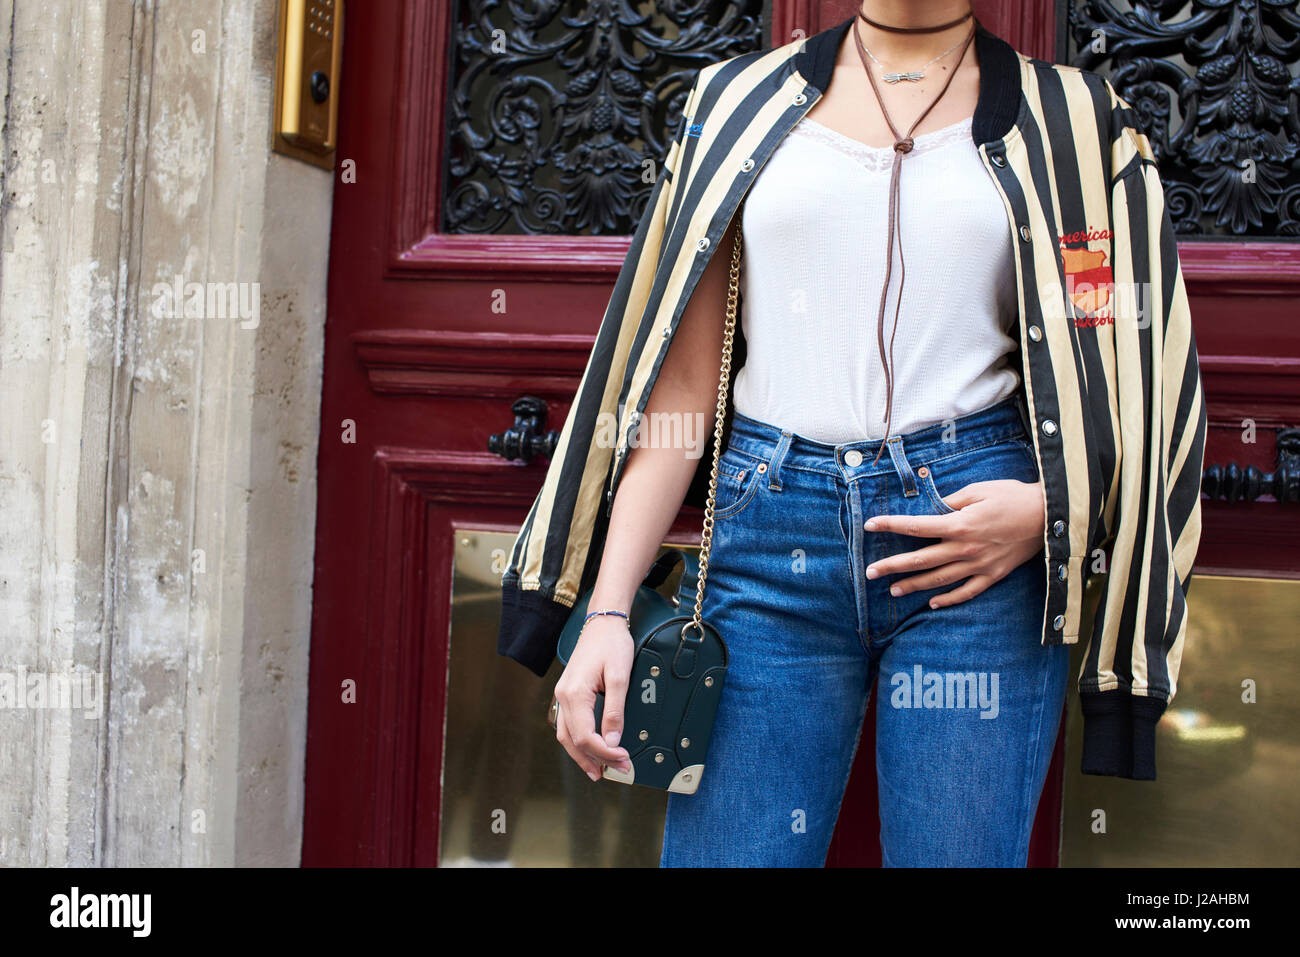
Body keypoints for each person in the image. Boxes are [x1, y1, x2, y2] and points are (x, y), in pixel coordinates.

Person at [498, 0, 1207, 867]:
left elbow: (1117, 355)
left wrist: (1051, 507)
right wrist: (607, 609)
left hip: (972, 541)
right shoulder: (738, 101)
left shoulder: (1072, 121)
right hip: (766, 540)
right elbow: (682, 386)